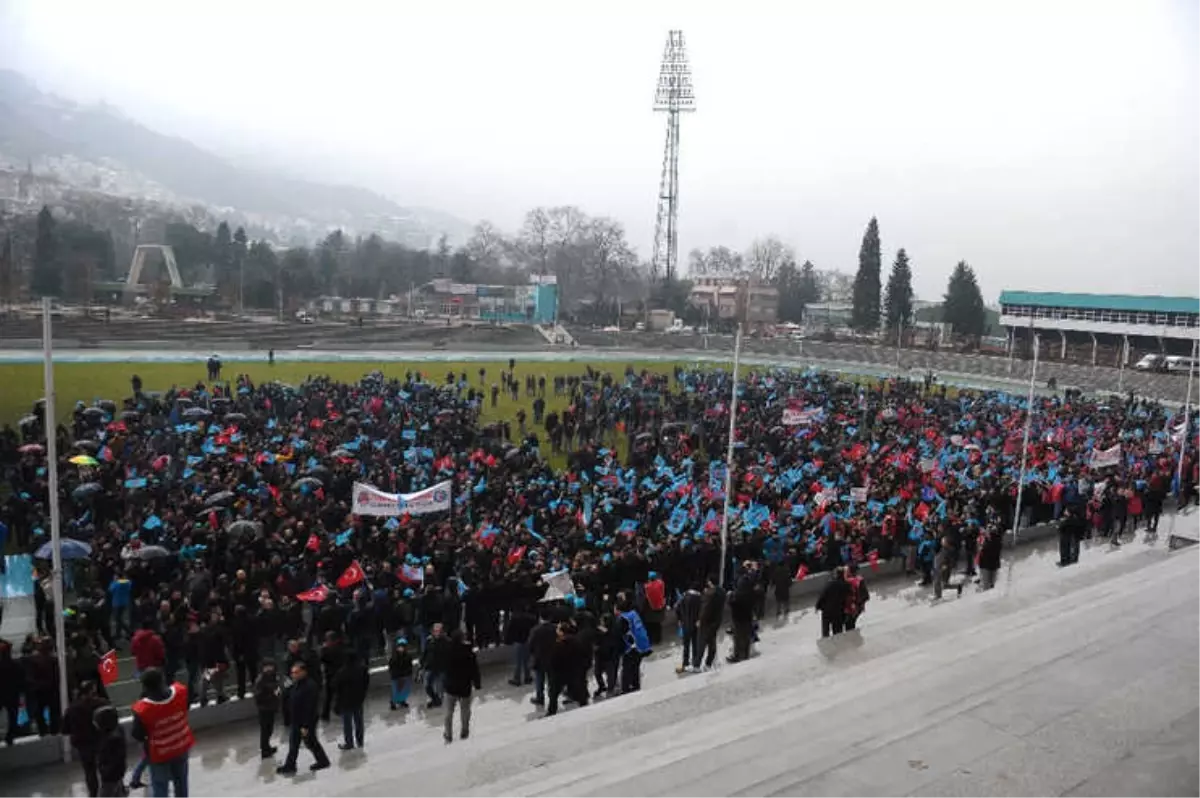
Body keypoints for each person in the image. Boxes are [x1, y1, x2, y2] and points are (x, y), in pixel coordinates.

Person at [130, 668, 193, 798]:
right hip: (181, 745)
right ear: (163, 679)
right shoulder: (180, 691)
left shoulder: (142, 709)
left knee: (160, 786)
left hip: (159, 753)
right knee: (181, 782)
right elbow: (186, 706)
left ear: (145, 687)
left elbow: (138, 734)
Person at [277, 660, 330, 775]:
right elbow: (287, 697)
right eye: (292, 673)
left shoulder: (310, 686)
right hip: (296, 720)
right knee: (295, 743)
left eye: (296, 672)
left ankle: (322, 761)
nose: (293, 675)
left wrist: (305, 725)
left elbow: (309, 707)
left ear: (304, 672)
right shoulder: (295, 684)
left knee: (310, 741)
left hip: (305, 721)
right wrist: (285, 689)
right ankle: (290, 765)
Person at [64, 680, 108, 798]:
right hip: (101, 741)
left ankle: (93, 794)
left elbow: (65, 729)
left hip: (83, 744)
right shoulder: (102, 703)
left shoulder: (72, 708)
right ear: (93, 690)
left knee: (89, 770)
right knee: (106, 767)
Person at [442, 630, 480, 743]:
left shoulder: (447, 651)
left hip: (450, 686)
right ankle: (464, 731)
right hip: (465, 686)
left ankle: (448, 734)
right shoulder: (468, 651)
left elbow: (443, 668)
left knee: (448, 712)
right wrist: (477, 683)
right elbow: (474, 669)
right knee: (465, 710)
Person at [334, 649, 369, 750]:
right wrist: (363, 694)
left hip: (345, 701)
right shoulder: (362, 669)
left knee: (347, 724)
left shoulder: (342, 672)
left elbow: (337, 687)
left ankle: (349, 743)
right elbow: (366, 682)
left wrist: (337, 703)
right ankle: (360, 741)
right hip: (358, 699)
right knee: (359, 722)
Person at [94, 704, 128, 798]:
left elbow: (114, 759)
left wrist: (104, 770)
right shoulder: (117, 731)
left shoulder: (111, 739)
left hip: (110, 775)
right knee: (118, 792)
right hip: (117, 772)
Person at [252, 660, 281, 759]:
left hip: (271, 706)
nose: (269, 668)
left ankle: (267, 747)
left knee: (269, 729)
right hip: (264, 708)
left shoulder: (273, 677)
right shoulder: (261, 680)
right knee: (265, 730)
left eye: (271, 666)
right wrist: (271, 695)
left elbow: (276, 688)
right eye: (267, 667)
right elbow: (258, 696)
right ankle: (265, 750)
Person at [674, 583, 702, 673]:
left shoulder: (684, 596)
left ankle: (685, 663)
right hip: (695, 625)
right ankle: (695, 662)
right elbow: (702, 611)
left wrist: (679, 619)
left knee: (686, 645)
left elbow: (676, 607)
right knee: (695, 644)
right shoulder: (699, 598)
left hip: (685, 624)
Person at [422, 623, 450, 709]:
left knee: (440, 687)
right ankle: (435, 699)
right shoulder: (429, 640)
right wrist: (421, 664)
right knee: (427, 685)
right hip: (430, 666)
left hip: (442, 667)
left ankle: (438, 700)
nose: (437, 633)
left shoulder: (446, 641)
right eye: (435, 631)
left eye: (439, 631)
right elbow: (425, 653)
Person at [816, 567, 850, 637]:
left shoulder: (830, 584)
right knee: (837, 630)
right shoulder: (846, 585)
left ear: (836, 574)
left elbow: (823, 595)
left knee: (825, 630)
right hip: (838, 611)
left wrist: (818, 606)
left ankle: (826, 641)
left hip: (827, 610)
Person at [388, 637, 413, 710]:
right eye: (400, 647)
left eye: (403, 647)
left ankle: (402, 701)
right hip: (396, 676)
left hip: (404, 675)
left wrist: (407, 673)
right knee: (396, 690)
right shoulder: (394, 657)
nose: (401, 648)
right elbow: (392, 667)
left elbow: (409, 666)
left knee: (403, 689)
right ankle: (393, 702)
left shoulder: (408, 657)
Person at [843, 564, 870, 631]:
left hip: (854, 606)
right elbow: (866, 595)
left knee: (849, 623)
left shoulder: (850, 581)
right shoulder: (859, 580)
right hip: (856, 606)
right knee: (851, 622)